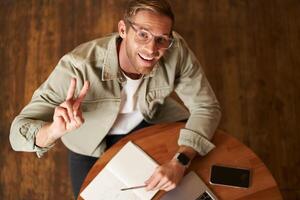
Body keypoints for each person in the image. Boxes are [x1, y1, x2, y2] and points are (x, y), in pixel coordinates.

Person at [10, 0, 221, 198]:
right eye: (143, 34)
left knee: (187, 188)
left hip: (149, 121)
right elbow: (17, 134)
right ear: (123, 30)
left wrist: (180, 160)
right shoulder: (77, 67)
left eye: (161, 39)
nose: (151, 49)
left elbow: (207, 107)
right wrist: (53, 131)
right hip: (90, 146)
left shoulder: (175, 49)